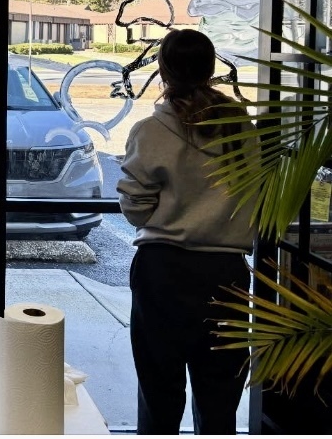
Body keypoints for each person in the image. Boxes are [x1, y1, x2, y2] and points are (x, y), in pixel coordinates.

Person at [117, 28, 257, 435]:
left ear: (163, 69)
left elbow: (135, 209)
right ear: (212, 69)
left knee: (159, 390)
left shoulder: (151, 131)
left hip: (163, 271)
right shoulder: (241, 129)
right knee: (220, 395)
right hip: (226, 274)